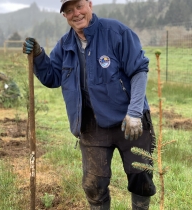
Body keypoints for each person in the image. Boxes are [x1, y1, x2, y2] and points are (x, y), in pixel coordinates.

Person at [23, 0, 156, 209]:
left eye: (79, 6)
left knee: (141, 179)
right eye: (68, 10)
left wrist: (135, 112)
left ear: (90, 5)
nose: (75, 13)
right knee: (94, 184)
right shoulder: (65, 45)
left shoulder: (116, 32)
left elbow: (139, 71)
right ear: (64, 15)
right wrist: (39, 56)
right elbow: (52, 77)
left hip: (129, 120)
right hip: (92, 125)